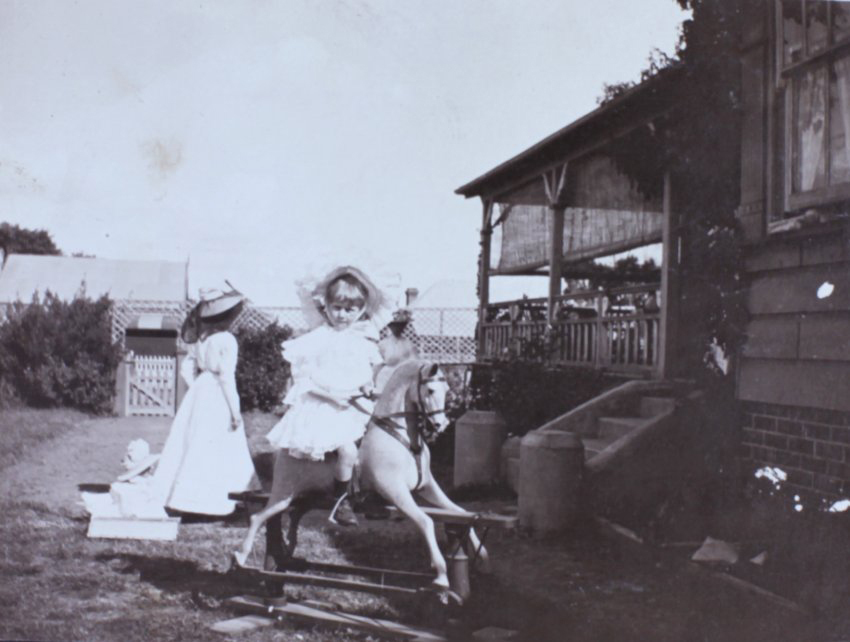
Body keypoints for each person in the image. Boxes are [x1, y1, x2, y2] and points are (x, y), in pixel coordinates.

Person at [265, 261, 398, 526]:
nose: (342, 315)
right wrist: (330, 396)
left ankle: (371, 492)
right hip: (323, 406)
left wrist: (366, 387)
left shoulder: (361, 341)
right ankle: (341, 503)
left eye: (350, 310)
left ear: (361, 311)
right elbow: (303, 379)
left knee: (381, 442)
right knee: (347, 451)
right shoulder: (317, 338)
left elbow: (362, 374)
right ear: (325, 306)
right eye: (337, 308)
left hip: (351, 406)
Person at [149, 287, 257, 516]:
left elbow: (187, 368)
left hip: (202, 390)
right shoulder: (227, 340)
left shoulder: (201, 340)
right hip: (218, 391)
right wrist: (235, 412)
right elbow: (227, 377)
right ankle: (219, 499)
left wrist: (197, 386)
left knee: (194, 441)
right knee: (218, 441)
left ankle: (186, 498)